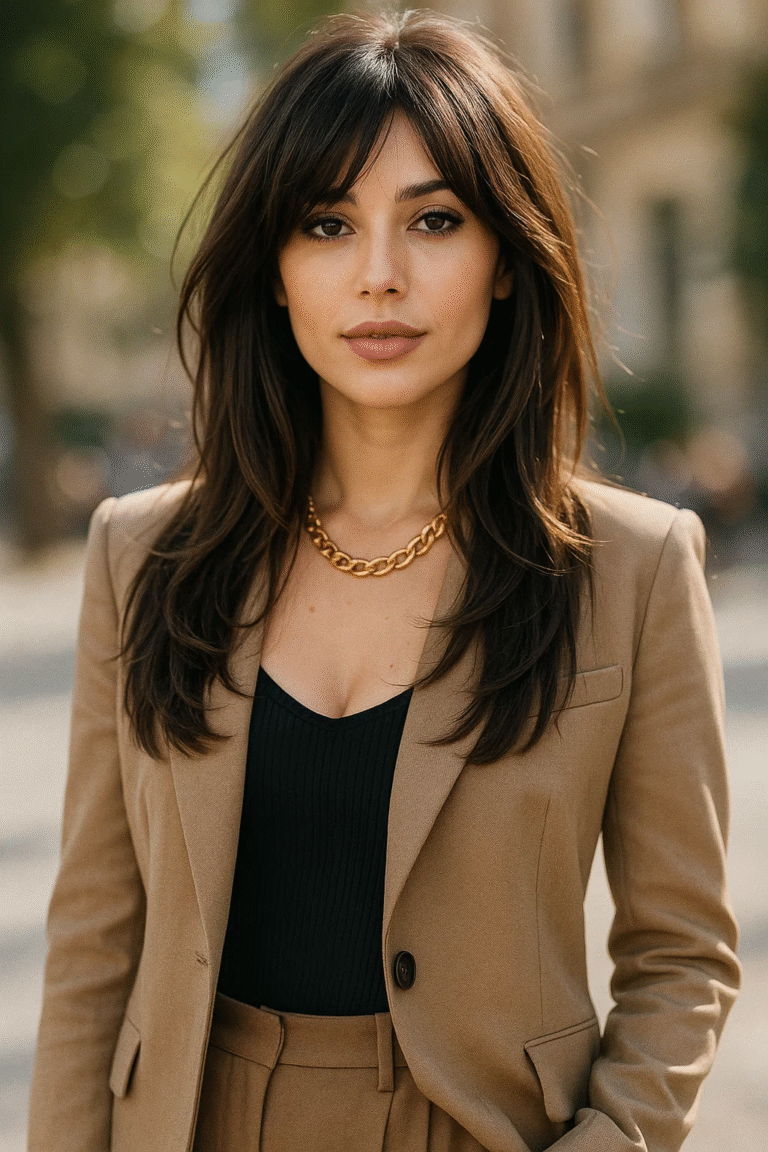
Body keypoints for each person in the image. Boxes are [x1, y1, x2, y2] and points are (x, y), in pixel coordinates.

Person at [27, 9, 740, 1152]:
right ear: (272, 266)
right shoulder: (144, 555)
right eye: (326, 223)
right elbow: (95, 947)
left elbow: (681, 958)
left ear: (506, 260)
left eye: (435, 220)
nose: (378, 276)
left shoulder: (636, 568)